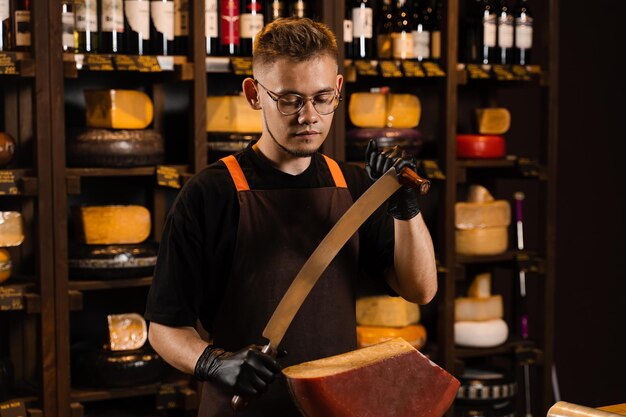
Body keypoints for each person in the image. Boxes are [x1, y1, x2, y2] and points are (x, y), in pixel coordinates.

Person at [145, 17, 437, 417]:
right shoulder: (210, 194)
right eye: (289, 99)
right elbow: (163, 327)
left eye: (321, 98)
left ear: (337, 90)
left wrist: (406, 210)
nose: (309, 117)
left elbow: (420, 289)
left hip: (335, 409)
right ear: (254, 93)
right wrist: (213, 362)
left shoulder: (353, 186)